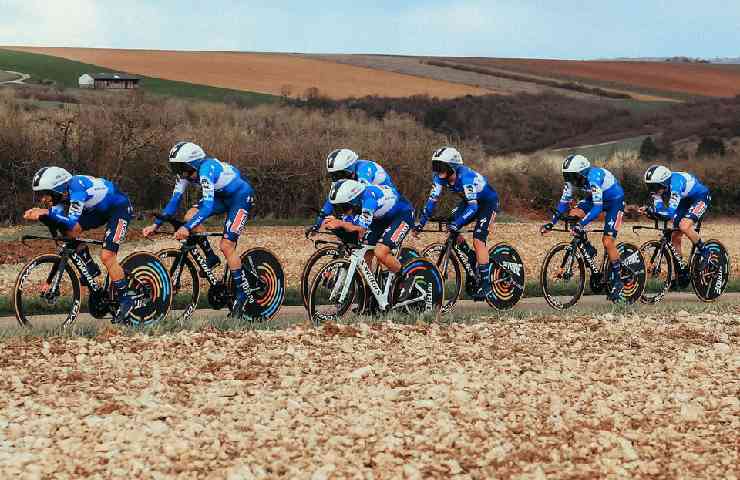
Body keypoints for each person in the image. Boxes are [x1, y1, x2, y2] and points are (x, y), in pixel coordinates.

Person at [141, 142, 255, 316]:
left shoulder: (206, 170)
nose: (177, 171)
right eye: (175, 167)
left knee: (226, 245)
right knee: (189, 215)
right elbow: (174, 203)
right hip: (221, 197)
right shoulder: (186, 175)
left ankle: (242, 293)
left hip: (240, 197)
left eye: (179, 166)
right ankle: (210, 256)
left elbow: (208, 207)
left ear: (191, 163)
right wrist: (155, 225)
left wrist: (187, 229)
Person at [24, 167, 134, 322]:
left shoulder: (76, 188)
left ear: (58, 188)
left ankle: (127, 299)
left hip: (119, 208)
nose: (43, 199)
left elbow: (70, 221)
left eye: (45, 194)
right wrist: (50, 280)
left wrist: (45, 214)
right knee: (70, 233)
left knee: (107, 255)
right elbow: (59, 229)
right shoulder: (61, 195)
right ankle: (89, 268)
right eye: (41, 195)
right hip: (98, 210)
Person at [413, 147, 499, 301]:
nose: (438, 171)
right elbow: (432, 201)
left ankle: (486, 285)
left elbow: (474, 207)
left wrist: (458, 223)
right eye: (435, 167)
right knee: (450, 223)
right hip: (470, 201)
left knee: (478, 239)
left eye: (441, 167)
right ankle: (471, 256)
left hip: (487, 203)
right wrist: (421, 223)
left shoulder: (466, 177)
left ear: (453, 167)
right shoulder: (440, 178)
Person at [540, 154, 625, 301]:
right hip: (595, 199)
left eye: (572, 176)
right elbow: (563, 202)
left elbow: (598, 208)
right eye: (567, 176)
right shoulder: (572, 181)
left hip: (614, 202)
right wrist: (551, 223)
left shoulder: (594, 177)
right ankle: (587, 247)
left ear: (582, 173)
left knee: (608, 241)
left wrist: (581, 224)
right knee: (573, 213)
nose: (570, 180)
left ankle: (619, 280)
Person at [324, 179, 414, 277]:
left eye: (343, 208)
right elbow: (351, 225)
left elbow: (360, 229)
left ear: (353, 200)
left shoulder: (369, 200)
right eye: (338, 208)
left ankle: (406, 280)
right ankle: (369, 290)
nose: (342, 212)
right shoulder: (356, 201)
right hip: (380, 219)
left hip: (403, 215)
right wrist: (338, 221)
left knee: (380, 253)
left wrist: (341, 223)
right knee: (365, 251)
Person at [305, 148, 399, 239]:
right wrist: (317, 224)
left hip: (385, 199)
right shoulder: (345, 175)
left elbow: (365, 199)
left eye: (341, 174)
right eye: (334, 175)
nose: (338, 178)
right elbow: (332, 199)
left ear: (351, 167)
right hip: (370, 200)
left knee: (354, 226)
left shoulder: (364, 171)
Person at [641, 165, 711, 279]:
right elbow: (659, 210)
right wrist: (651, 212)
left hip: (700, 197)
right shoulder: (658, 189)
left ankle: (705, 252)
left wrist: (652, 212)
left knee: (684, 226)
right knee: (675, 236)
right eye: (649, 186)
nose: (652, 190)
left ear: (664, 182)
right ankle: (681, 274)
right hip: (685, 200)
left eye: (654, 186)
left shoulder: (676, 184)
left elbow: (668, 213)